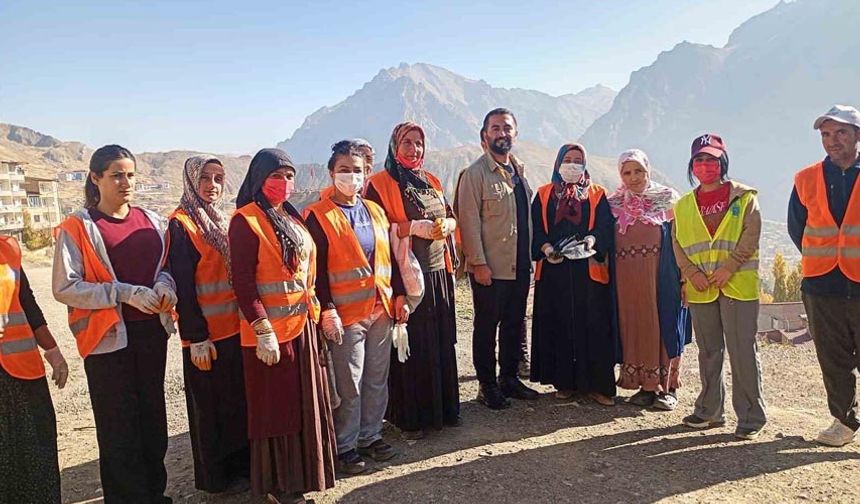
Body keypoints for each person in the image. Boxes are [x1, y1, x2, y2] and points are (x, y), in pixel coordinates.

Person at [53, 144, 178, 503]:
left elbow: (166, 267)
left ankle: (155, 494)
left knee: (153, 420)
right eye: (116, 175)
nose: (126, 182)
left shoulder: (153, 222)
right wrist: (122, 293)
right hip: (107, 340)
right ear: (96, 178)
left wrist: (165, 286)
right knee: (118, 425)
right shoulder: (79, 227)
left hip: (151, 333)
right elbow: (65, 287)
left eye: (131, 174)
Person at [229, 148, 335, 503]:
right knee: (277, 409)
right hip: (271, 334)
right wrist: (262, 329)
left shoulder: (290, 217)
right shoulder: (245, 220)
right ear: (259, 179)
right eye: (277, 176)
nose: (284, 183)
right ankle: (279, 484)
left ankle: (303, 475)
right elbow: (243, 282)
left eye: (289, 176)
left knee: (304, 404)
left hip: (302, 325)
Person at [305, 141, 409, 474]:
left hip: (379, 308)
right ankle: (345, 445)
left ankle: (371, 435)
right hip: (346, 315)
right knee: (349, 382)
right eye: (344, 170)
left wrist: (399, 295)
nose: (351, 176)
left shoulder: (375, 210)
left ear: (367, 173)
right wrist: (327, 308)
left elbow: (389, 257)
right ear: (331, 172)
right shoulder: (317, 216)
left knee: (377, 377)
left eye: (358, 170)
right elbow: (315, 268)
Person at [365, 122, 460, 438]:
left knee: (440, 342)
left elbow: (449, 214)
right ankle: (411, 417)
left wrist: (446, 224)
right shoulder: (379, 184)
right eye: (407, 142)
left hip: (437, 273)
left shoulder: (430, 180)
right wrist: (408, 228)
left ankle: (443, 411)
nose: (414, 149)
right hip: (405, 277)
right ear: (394, 145)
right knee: (412, 346)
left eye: (419, 143)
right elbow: (376, 234)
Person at [673, 133, 766, 440]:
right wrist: (689, 273)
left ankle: (751, 416)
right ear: (691, 165)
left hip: (737, 284)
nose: (705, 165)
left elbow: (750, 236)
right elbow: (677, 242)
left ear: (722, 162)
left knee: (742, 351)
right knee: (709, 351)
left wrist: (729, 267)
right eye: (699, 159)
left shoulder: (744, 197)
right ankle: (710, 411)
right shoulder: (684, 205)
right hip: (701, 287)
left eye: (711, 159)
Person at [167, 156, 249, 493]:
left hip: (232, 330)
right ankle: (216, 479)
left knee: (234, 405)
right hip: (205, 337)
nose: (212, 186)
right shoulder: (181, 224)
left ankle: (240, 468)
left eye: (218, 178)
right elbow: (183, 286)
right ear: (191, 180)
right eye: (205, 178)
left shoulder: (221, 221)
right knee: (209, 411)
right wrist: (196, 336)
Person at [788, 105, 860, 447]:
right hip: (821, 284)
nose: (833, 141)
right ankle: (844, 421)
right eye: (826, 134)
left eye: (841, 132)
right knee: (832, 357)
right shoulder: (805, 178)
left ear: (857, 135)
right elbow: (796, 227)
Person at [456, 108, 538, 409]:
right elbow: (468, 222)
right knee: (487, 326)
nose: (501, 133)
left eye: (507, 128)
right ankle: (487, 385)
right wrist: (478, 263)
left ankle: (509, 379)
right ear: (485, 135)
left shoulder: (519, 172)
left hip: (519, 265)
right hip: (490, 267)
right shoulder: (475, 174)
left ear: (515, 134)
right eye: (495, 128)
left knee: (514, 324)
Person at [530, 143, 617, 406]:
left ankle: (597, 385)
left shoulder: (597, 194)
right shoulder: (544, 195)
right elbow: (535, 228)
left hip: (588, 272)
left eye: (578, 160)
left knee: (594, 326)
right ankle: (565, 382)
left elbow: (605, 228)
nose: (572, 164)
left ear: (585, 164)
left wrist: (592, 240)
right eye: (567, 159)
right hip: (554, 271)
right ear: (558, 163)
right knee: (560, 323)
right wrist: (545, 249)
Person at [608, 149, 691, 410]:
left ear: (648, 170)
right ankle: (644, 386)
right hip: (626, 280)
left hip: (662, 276)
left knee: (663, 324)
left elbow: (683, 239)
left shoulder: (667, 200)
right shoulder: (613, 204)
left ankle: (668, 388)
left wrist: (685, 277)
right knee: (634, 325)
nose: (633, 178)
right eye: (627, 172)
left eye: (638, 171)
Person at [0, 235, 68, 504]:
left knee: (37, 455)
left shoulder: (8, 248)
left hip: (23, 372)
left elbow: (26, 302)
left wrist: (52, 350)